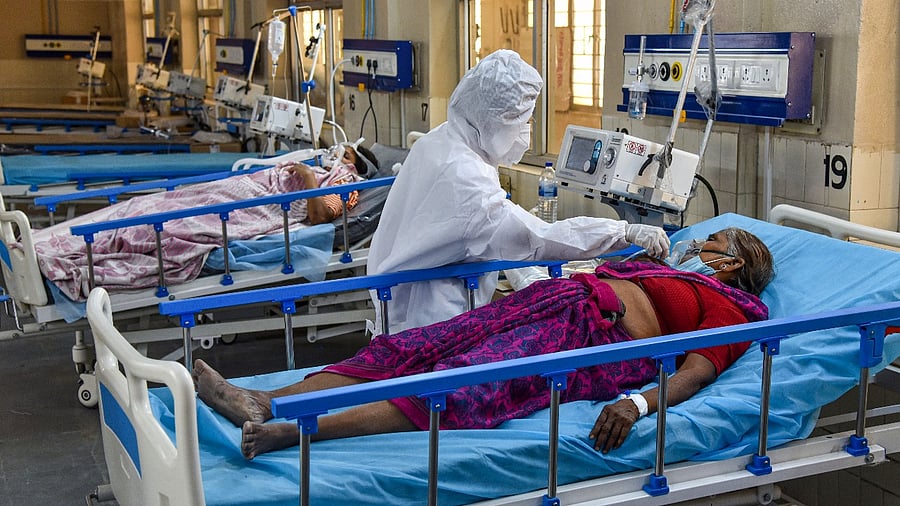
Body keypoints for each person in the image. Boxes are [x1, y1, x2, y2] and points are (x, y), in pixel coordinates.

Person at [194, 226, 774, 459]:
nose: (698, 245)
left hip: (593, 340)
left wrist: (638, 403)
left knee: (468, 380)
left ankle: (295, 432)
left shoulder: (732, 308)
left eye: (713, 241)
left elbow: (696, 372)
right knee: (415, 347)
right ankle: (266, 399)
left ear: (736, 261)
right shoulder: (668, 270)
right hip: (551, 301)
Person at [366, 49, 670, 335]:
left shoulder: (440, 141)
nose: (528, 129)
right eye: (525, 120)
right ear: (498, 119)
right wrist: (623, 231)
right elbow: (537, 239)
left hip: (401, 303)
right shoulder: (467, 180)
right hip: (432, 320)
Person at [28, 144, 379, 302]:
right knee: (145, 206)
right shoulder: (326, 169)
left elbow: (320, 215)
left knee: (167, 227)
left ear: (353, 160)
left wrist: (305, 174)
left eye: (343, 151)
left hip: (252, 207)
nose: (335, 152)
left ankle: (62, 257)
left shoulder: (345, 180)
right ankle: (49, 245)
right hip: (240, 190)